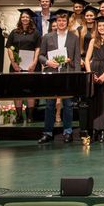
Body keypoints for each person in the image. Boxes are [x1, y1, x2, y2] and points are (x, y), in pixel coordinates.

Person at [37, 9, 81, 144]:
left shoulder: (74, 38)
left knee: (68, 105)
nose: (61, 23)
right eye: (59, 20)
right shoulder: (47, 37)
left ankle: (68, 132)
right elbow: (41, 56)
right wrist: (47, 62)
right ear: (56, 22)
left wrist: (76, 77)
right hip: (52, 74)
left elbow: (77, 59)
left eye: (64, 21)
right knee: (50, 105)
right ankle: (47, 132)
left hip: (68, 75)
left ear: (67, 22)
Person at [84, 16, 104, 143]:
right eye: (100, 26)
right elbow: (87, 59)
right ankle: (93, 130)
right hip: (94, 70)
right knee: (93, 100)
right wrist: (90, 73)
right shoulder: (93, 40)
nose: (102, 28)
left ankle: (102, 130)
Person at [6, 8, 40, 123]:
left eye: (27, 17)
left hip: (31, 66)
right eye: (23, 17)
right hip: (16, 66)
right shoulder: (14, 32)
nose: (25, 19)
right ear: (20, 19)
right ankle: (19, 116)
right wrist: (13, 62)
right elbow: (9, 48)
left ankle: (30, 116)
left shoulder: (35, 33)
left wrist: (34, 62)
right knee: (17, 91)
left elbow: (38, 48)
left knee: (31, 91)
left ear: (30, 19)